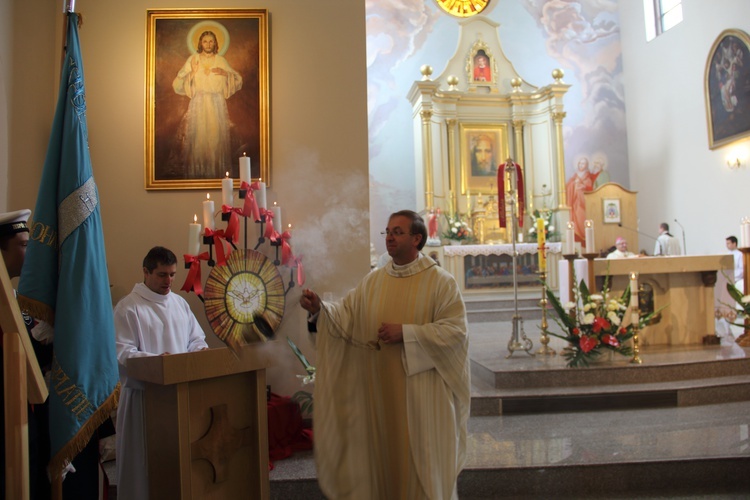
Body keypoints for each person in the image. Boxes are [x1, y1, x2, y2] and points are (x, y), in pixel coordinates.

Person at [299, 210, 470, 499]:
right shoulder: (373, 281)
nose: (389, 237)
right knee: (384, 472)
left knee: (422, 475)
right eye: (387, 232)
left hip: (423, 398)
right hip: (381, 396)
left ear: (417, 238)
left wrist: (407, 333)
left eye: (397, 232)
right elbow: (347, 316)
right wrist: (320, 309)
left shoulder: (441, 283)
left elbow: (455, 333)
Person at [114, 246, 209, 500]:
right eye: (162, 275)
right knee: (142, 471)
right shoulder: (128, 308)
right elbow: (122, 354)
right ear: (146, 272)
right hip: (144, 400)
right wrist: (158, 362)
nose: (169, 281)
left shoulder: (179, 304)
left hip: (178, 397)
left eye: (173, 274)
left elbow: (197, 339)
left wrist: (199, 352)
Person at [173, 29, 243, 179]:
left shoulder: (221, 60)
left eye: (211, 41)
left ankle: (215, 175)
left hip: (216, 105)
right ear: (200, 43)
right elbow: (177, 84)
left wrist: (226, 74)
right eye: (205, 41)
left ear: (216, 43)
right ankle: (198, 175)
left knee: (216, 141)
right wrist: (192, 73)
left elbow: (238, 80)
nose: (208, 44)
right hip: (198, 104)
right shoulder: (193, 59)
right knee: (198, 141)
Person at [565, 157, 595, 243]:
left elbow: (590, 187)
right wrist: (574, 184)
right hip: (575, 202)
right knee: (576, 217)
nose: (581, 165)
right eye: (580, 163)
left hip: (583, 202)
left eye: (583, 163)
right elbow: (568, 185)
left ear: (586, 165)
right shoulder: (575, 175)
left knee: (582, 217)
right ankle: (577, 235)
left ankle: (584, 235)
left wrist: (583, 187)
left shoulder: (588, 176)